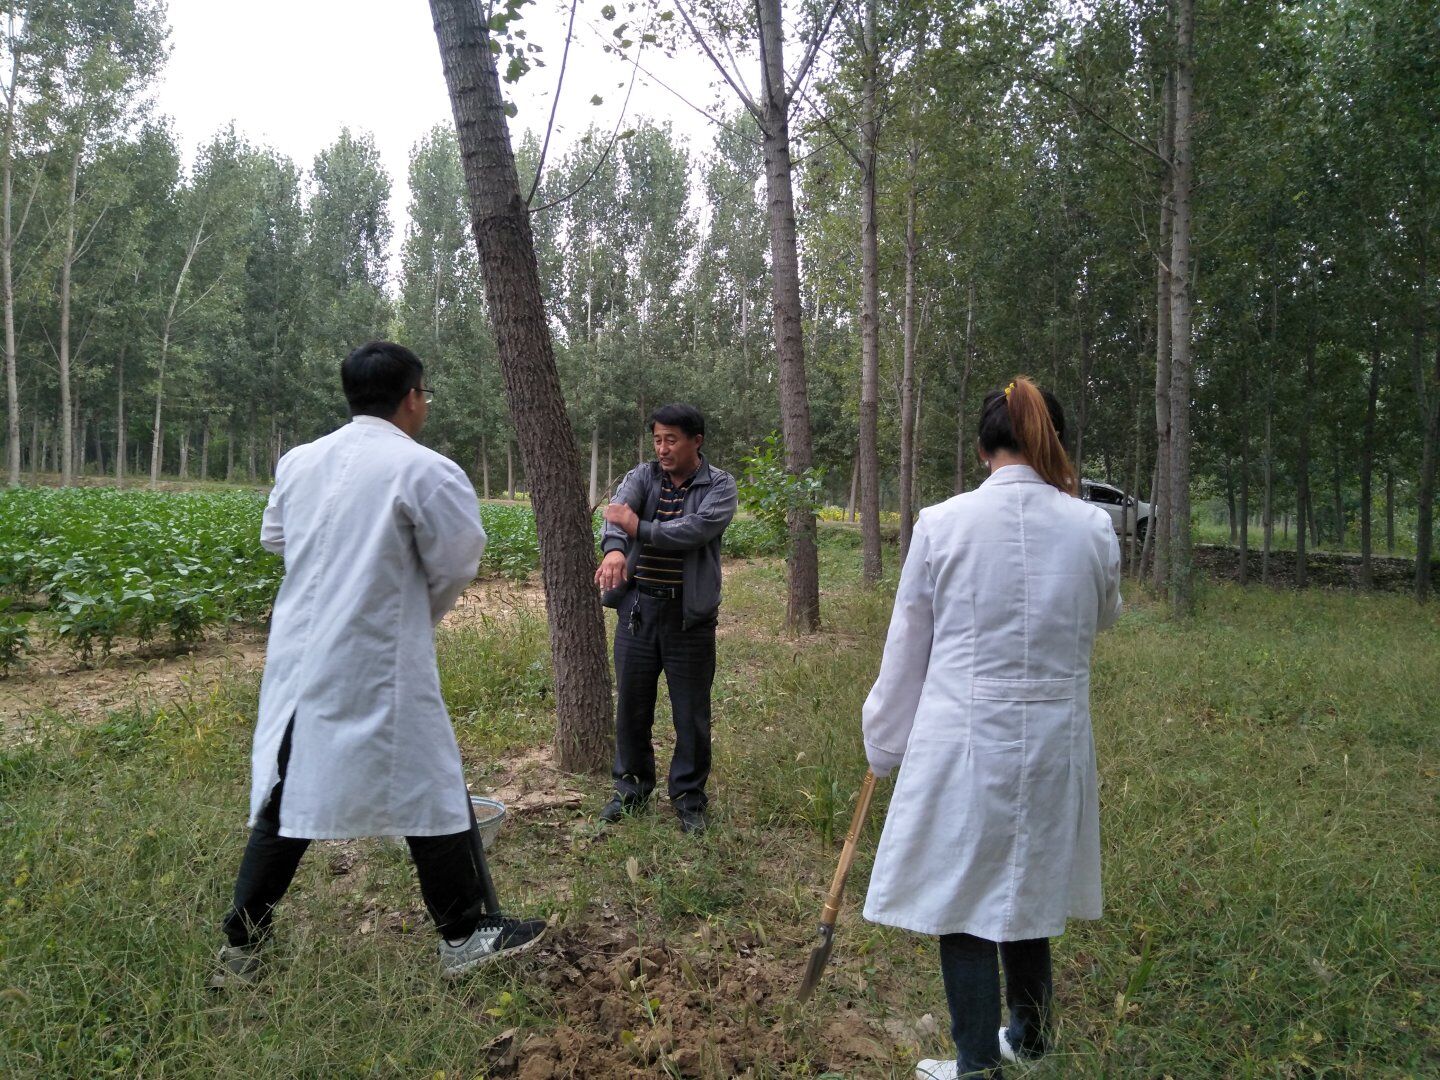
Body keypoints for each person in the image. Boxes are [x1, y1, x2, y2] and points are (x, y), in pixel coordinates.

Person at [213, 341, 545, 988]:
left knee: (289, 789)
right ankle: (464, 935)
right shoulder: (425, 471)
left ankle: (241, 948)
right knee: (431, 785)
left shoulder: (301, 461)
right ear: (413, 397)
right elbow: (456, 561)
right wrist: (411, 611)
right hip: (378, 657)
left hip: (302, 655)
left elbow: (275, 536)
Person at [860, 377, 1123, 1079]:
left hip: (964, 738)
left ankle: (979, 1065)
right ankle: (1028, 1041)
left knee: (963, 894)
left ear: (982, 449)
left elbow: (907, 646)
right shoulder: (1092, 526)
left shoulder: (942, 523)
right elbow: (1105, 615)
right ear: (1053, 444)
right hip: (1055, 741)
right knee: (1028, 882)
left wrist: (882, 743)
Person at [593, 403, 738, 835]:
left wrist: (639, 528)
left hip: (689, 618)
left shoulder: (720, 486)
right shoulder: (643, 476)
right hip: (638, 611)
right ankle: (631, 788)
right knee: (632, 706)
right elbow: (617, 514)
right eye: (657, 439)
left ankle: (689, 798)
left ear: (697, 441)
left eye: (671, 439)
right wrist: (615, 549)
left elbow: (694, 530)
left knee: (691, 712)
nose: (662, 448)